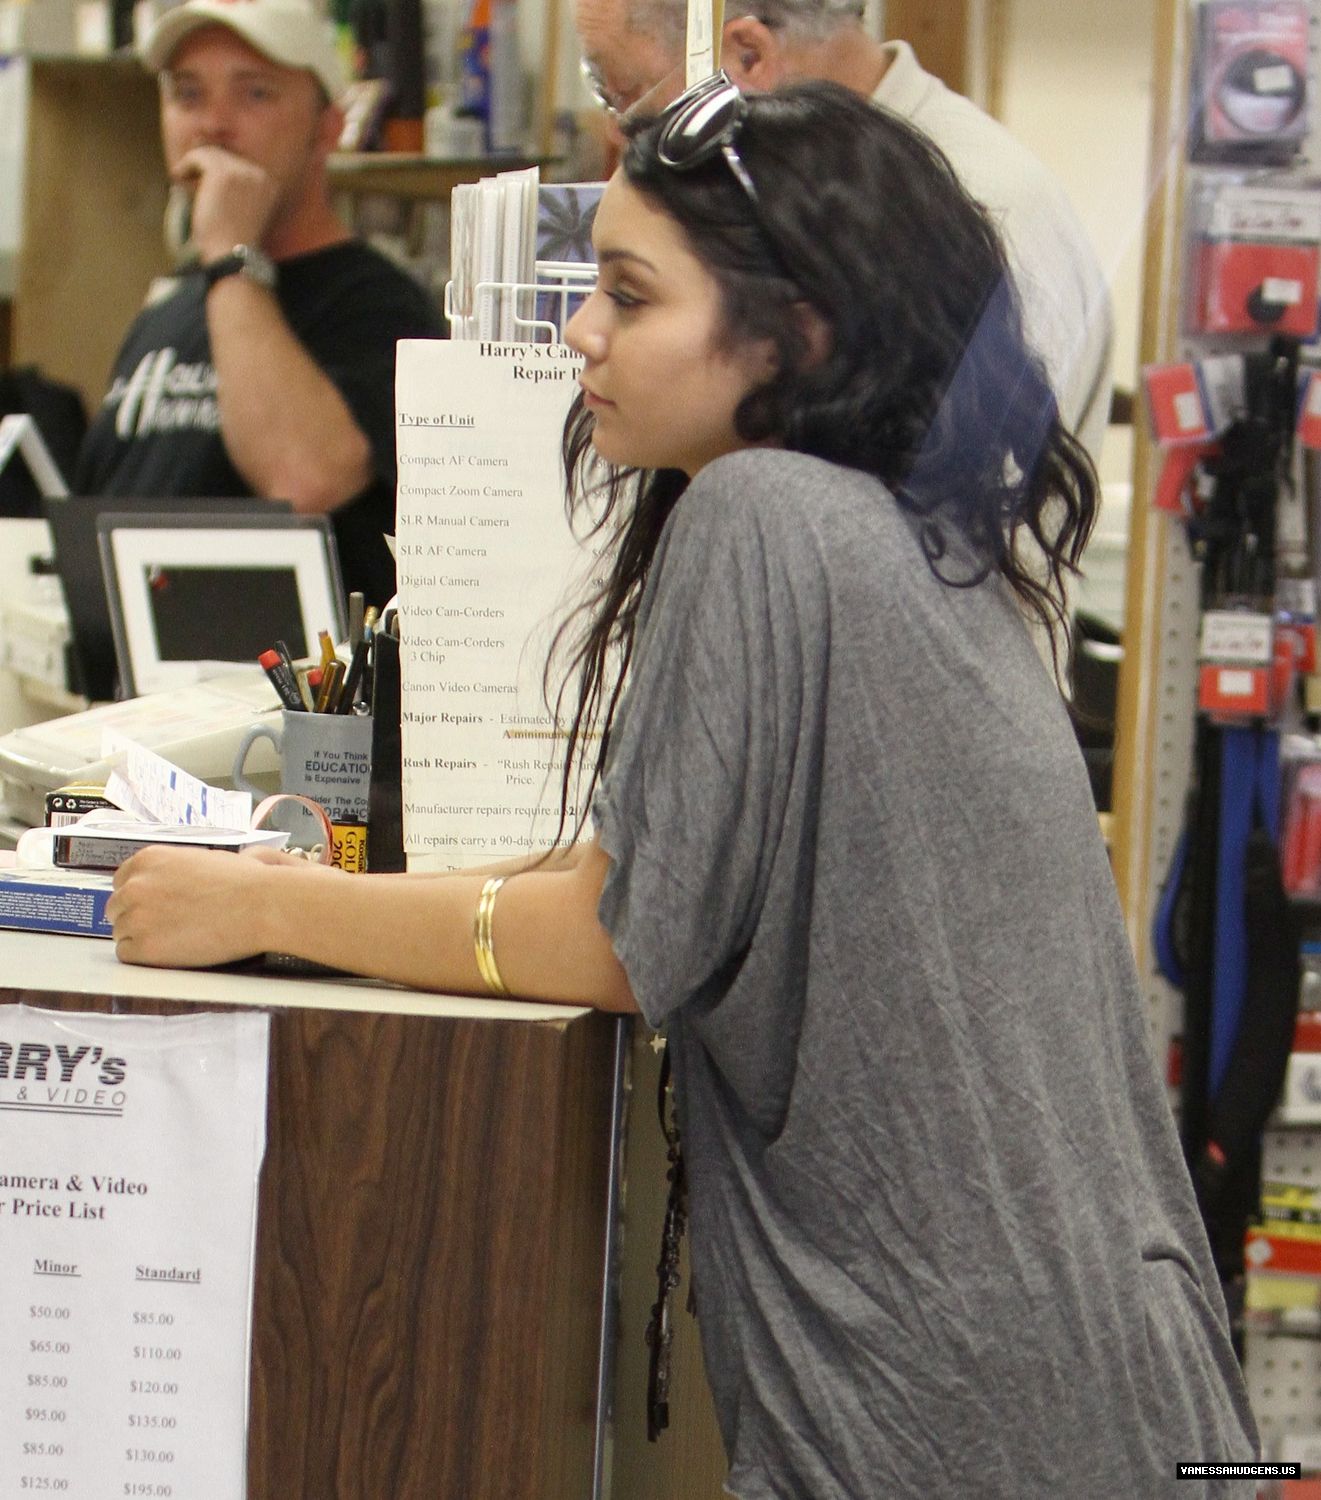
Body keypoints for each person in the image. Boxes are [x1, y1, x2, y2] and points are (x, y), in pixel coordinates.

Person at [109, 78, 1259, 1496]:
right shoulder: (904, 533)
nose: (581, 332)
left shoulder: (766, 515)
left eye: (630, 297)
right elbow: (644, 872)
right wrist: (307, 893)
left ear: (798, 332)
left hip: (964, 1410)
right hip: (1107, 1377)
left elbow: (612, 937)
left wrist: (252, 908)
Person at [576, 0, 1114, 465]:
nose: (616, 131)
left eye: (625, 94)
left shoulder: (978, 204)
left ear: (747, 57)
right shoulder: (797, 191)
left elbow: (973, 534)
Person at [74, 0, 444, 608]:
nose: (212, 125)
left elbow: (300, 480)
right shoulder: (169, 309)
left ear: (328, 127)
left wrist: (229, 252)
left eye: (255, 95)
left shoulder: (381, 307)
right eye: (187, 95)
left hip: (282, 695)